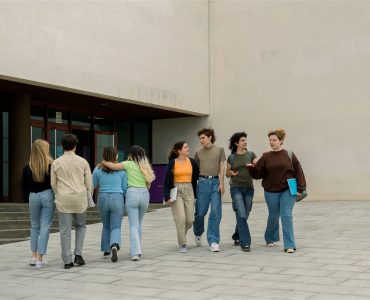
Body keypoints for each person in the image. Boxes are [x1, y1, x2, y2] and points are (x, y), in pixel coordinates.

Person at [247, 128, 306, 253]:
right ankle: (270, 237)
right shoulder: (266, 156)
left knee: (286, 215)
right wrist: (252, 168)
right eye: (270, 140)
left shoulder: (289, 154)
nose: (271, 142)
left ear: (281, 141)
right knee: (274, 215)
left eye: (274, 140)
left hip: (289, 188)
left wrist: (301, 188)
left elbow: (298, 170)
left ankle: (289, 245)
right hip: (270, 190)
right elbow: (258, 174)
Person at [103, 145, 155, 261]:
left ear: (131, 155)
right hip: (144, 194)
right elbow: (149, 184)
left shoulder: (128, 164)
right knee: (139, 224)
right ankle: (137, 249)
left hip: (132, 193)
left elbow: (114, 166)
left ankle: (135, 253)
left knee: (133, 225)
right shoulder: (145, 166)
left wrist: (104, 162)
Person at [51, 134, 93, 269]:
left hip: (63, 198)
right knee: (81, 226)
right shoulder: (83, 161)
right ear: (75, 146)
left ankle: (67, 261)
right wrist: (89, 195)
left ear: (62, 146)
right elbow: (88, 183)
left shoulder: (56, 162)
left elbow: (53, 183)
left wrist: (59, 193)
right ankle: (78, 254)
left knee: (65, 230)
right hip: (79, 198)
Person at [22, 139, 55, 268]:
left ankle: (33, 256)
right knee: (45, 226)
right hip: (47, 194)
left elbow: (24, 186)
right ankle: (40, 258)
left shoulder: (27, 167)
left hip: (33, 196)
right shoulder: (51, 165)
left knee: (34, 226)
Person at [92, 146, 128, 262]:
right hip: (117, 198)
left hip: (102, 197)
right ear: (115, 156)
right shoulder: (121, 170)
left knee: (106, 225)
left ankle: (106, 249)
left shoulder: (97, 169)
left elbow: (92, 184)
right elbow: (125, 187)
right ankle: (114, 245)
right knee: (116, 226)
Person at [193, 128, 226, 252]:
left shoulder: (220, 150)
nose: (201, 140)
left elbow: (222, 166)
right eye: (200, 138)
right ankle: (198, 231)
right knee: (200, 212)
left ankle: (213, 240)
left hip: (216, 182)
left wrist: (222, 182)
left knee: (216, 211)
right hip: (202, 183)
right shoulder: (198, 152)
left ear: (210, 137)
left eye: (203, 138)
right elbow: (195, 170)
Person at [163, 141, 199, 253]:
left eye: (188, 146)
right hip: (176, 190)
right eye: (185, 147)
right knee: (181, 218)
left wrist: (197, 194)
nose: (188, 148)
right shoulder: (172, 163)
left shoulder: (192, 162)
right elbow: (167, 181)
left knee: (190, 219)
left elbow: (196, 178)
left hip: (189, 189)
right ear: (179, 150)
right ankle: (182, 243)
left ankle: (181, 232)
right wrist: (167, 196)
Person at [226, 132, 257, 252]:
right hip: (236, 188)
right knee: (241, 214)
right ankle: (246, 243)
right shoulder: (232, 157)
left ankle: (237, 235)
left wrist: (255, 166)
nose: (245, 142)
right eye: (243, 140)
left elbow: (258, 166)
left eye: (245, 140)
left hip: (249, 187)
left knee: (246, 213)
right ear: (236, 143)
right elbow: (227, 173)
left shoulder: (251, 154)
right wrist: (231, 173)